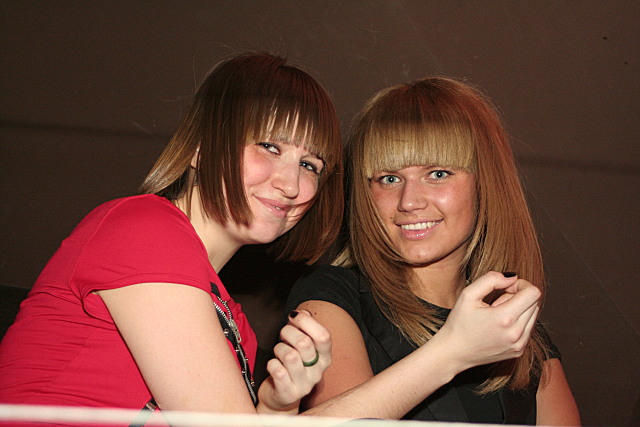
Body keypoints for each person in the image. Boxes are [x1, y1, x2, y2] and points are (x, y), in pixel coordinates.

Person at [0, 52, 342, 417]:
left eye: (310, 165)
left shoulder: (235, 327)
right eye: (270, 147)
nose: (291, 185)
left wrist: (278, 406)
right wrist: (395, 380)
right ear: (201, 146)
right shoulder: (145, 228)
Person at [286, 77, 581, 424]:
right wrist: (454, 352)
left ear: (485, 183)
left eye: (438, 174)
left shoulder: (516, 328)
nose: (409, 201)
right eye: (389, 179)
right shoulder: (332, 298)